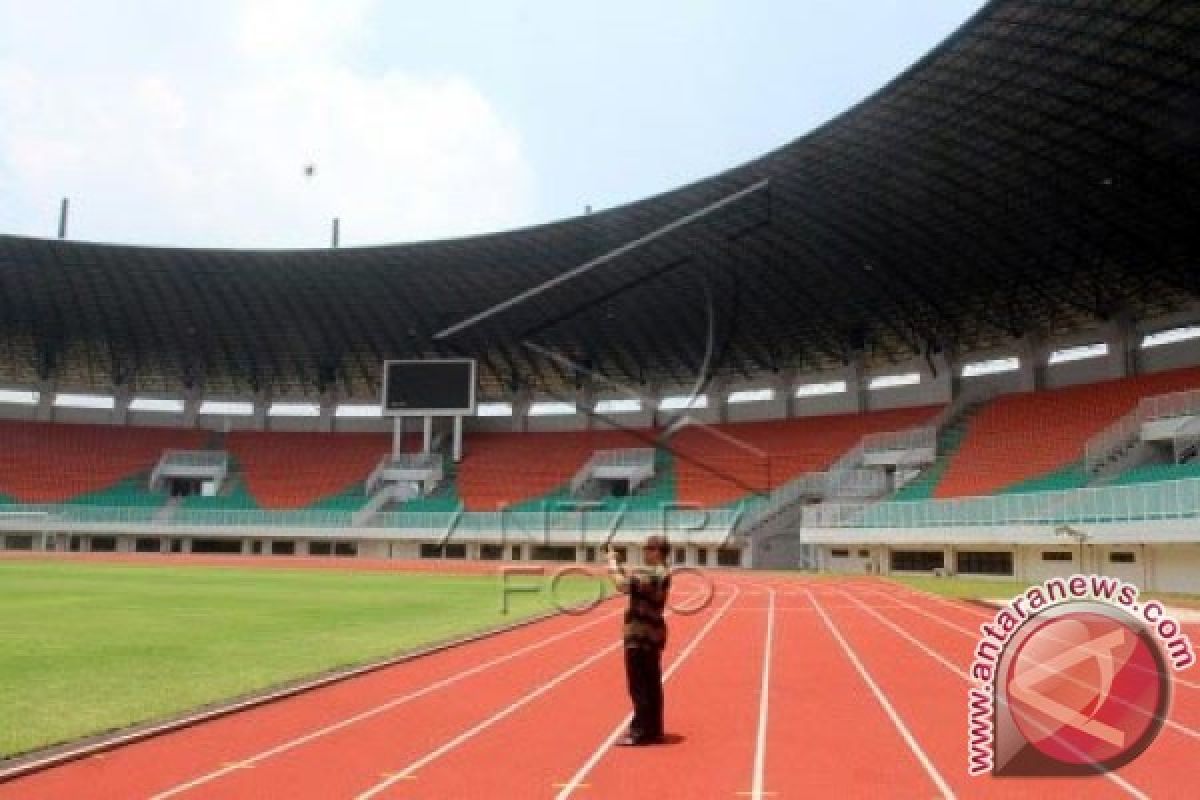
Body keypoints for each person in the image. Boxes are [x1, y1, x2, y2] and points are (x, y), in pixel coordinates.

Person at [606, 536, 671, 746]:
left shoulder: (653, 574)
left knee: (639, 685)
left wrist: (612, 564)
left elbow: (623, 586)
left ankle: (641, 731)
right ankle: (654, 728)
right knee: (651, 683)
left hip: (641, 634)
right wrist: (620, 565)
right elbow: (635, 585)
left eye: (647, 549)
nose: (644, 553)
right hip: (652, 633)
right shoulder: (661, 572)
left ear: (657, 551)